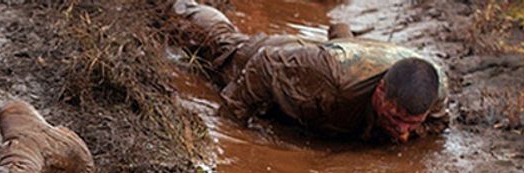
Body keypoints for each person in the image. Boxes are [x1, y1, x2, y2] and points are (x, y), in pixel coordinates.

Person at [171, 0, 450, 143]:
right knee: (221, 46)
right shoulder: (330, 76)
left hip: (344, 57)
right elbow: (265, 63)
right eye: (396, 117)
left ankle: (339, 34)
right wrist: (231, 123)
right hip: (270, 58)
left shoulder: (435, 93)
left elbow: (437, 126)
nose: (403, 129)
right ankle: (179, 5)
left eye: (412, 122)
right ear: (381, 91)